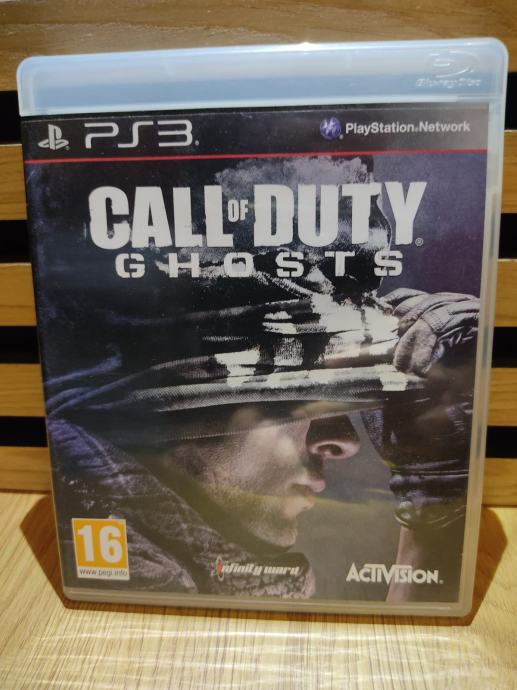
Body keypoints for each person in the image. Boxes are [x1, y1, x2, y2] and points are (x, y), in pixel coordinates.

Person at [44, 155, 478, 602]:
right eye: (294, 366)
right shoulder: (108, 572)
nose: (345, 441)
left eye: (345, 371)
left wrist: (436, 513)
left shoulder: (142, 563)